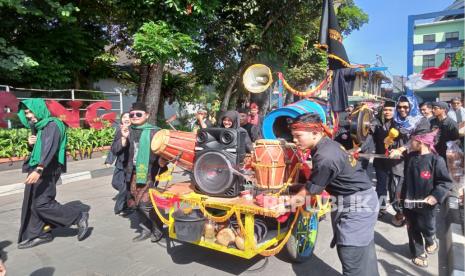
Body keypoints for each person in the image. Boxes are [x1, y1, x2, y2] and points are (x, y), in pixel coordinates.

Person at [291, 113, 379, 276]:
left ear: (315, 133)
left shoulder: (325, 155)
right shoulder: (327, 146)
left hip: (358, 205)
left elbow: (311, 190)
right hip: (354, 198)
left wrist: (285, 204)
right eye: (293, 136)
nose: (295, 140)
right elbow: (318, 180)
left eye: (298, 136)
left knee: (351, 255)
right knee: (364, 256)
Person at [17, 99, 89, 249]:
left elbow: (50, 148)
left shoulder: (53, 124)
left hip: (46, 169)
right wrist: (32, 144)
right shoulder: (40, 126)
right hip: (38, 166)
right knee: (33, 202)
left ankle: (78, 216)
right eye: (26, 113)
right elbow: (41, 148)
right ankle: (39, 233)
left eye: (30, 111)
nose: (29, 116)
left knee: (42, 203)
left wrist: (39, 169)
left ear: (39, 109)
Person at [111, 102, 168, 242]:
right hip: (131, 172)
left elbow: (167, 152)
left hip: (149, 173)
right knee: (134, 203)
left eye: (138, 114)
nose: (135, 116)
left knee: (145, 204)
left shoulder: (156, 131)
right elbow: (115, 150)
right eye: (132, 114)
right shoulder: (125, 130)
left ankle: (158, 228)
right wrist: (123, 138)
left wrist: (163, 160)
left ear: (147, 115)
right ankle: (146, 229)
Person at [401, 126, 453, 267]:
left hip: (426, 205)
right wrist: (401, 196)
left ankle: (430, 239)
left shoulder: (436, 160)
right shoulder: (410, 157)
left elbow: (445, 182)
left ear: (421, 141)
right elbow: (405, 179)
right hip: (409, 201)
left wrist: (435, 196)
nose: (410, 143)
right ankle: (418, 252)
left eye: (412, 140)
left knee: (426, 227)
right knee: (412, 227)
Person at [368, 101, 397, 217]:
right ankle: (381, 207)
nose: (387, 112)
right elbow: (369, 134)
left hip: (396, 161)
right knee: (381, 185)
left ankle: (399, 210)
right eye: (385, 110)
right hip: (380, 159)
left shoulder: (400, 123)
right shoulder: (377, 122)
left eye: (390, 110)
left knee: (395, 186)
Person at [106, 112, 132, 216]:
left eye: (129, 117)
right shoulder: (118, 130)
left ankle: (120, 208)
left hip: (129, 165)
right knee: (115, 183)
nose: (126, 118)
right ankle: (128, 199)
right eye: (124, 117)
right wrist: (109, 160)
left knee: (124, 187)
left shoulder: (134, 131)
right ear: (121, 120)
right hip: (120, 163)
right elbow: (114, 146)